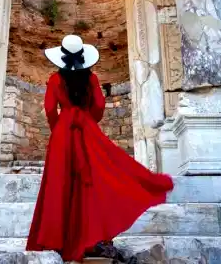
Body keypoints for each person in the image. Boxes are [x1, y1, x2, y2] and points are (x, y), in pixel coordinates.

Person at [26, 35, 174, 262]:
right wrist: (88, 121)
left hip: (63, 133)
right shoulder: (92, 78)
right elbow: (99, 107)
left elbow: (48, 109)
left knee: (59, 184)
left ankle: (57, 239)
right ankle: (91, 235)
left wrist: (59, 129)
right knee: (94, 182)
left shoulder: (55, 79)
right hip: (87, 130)